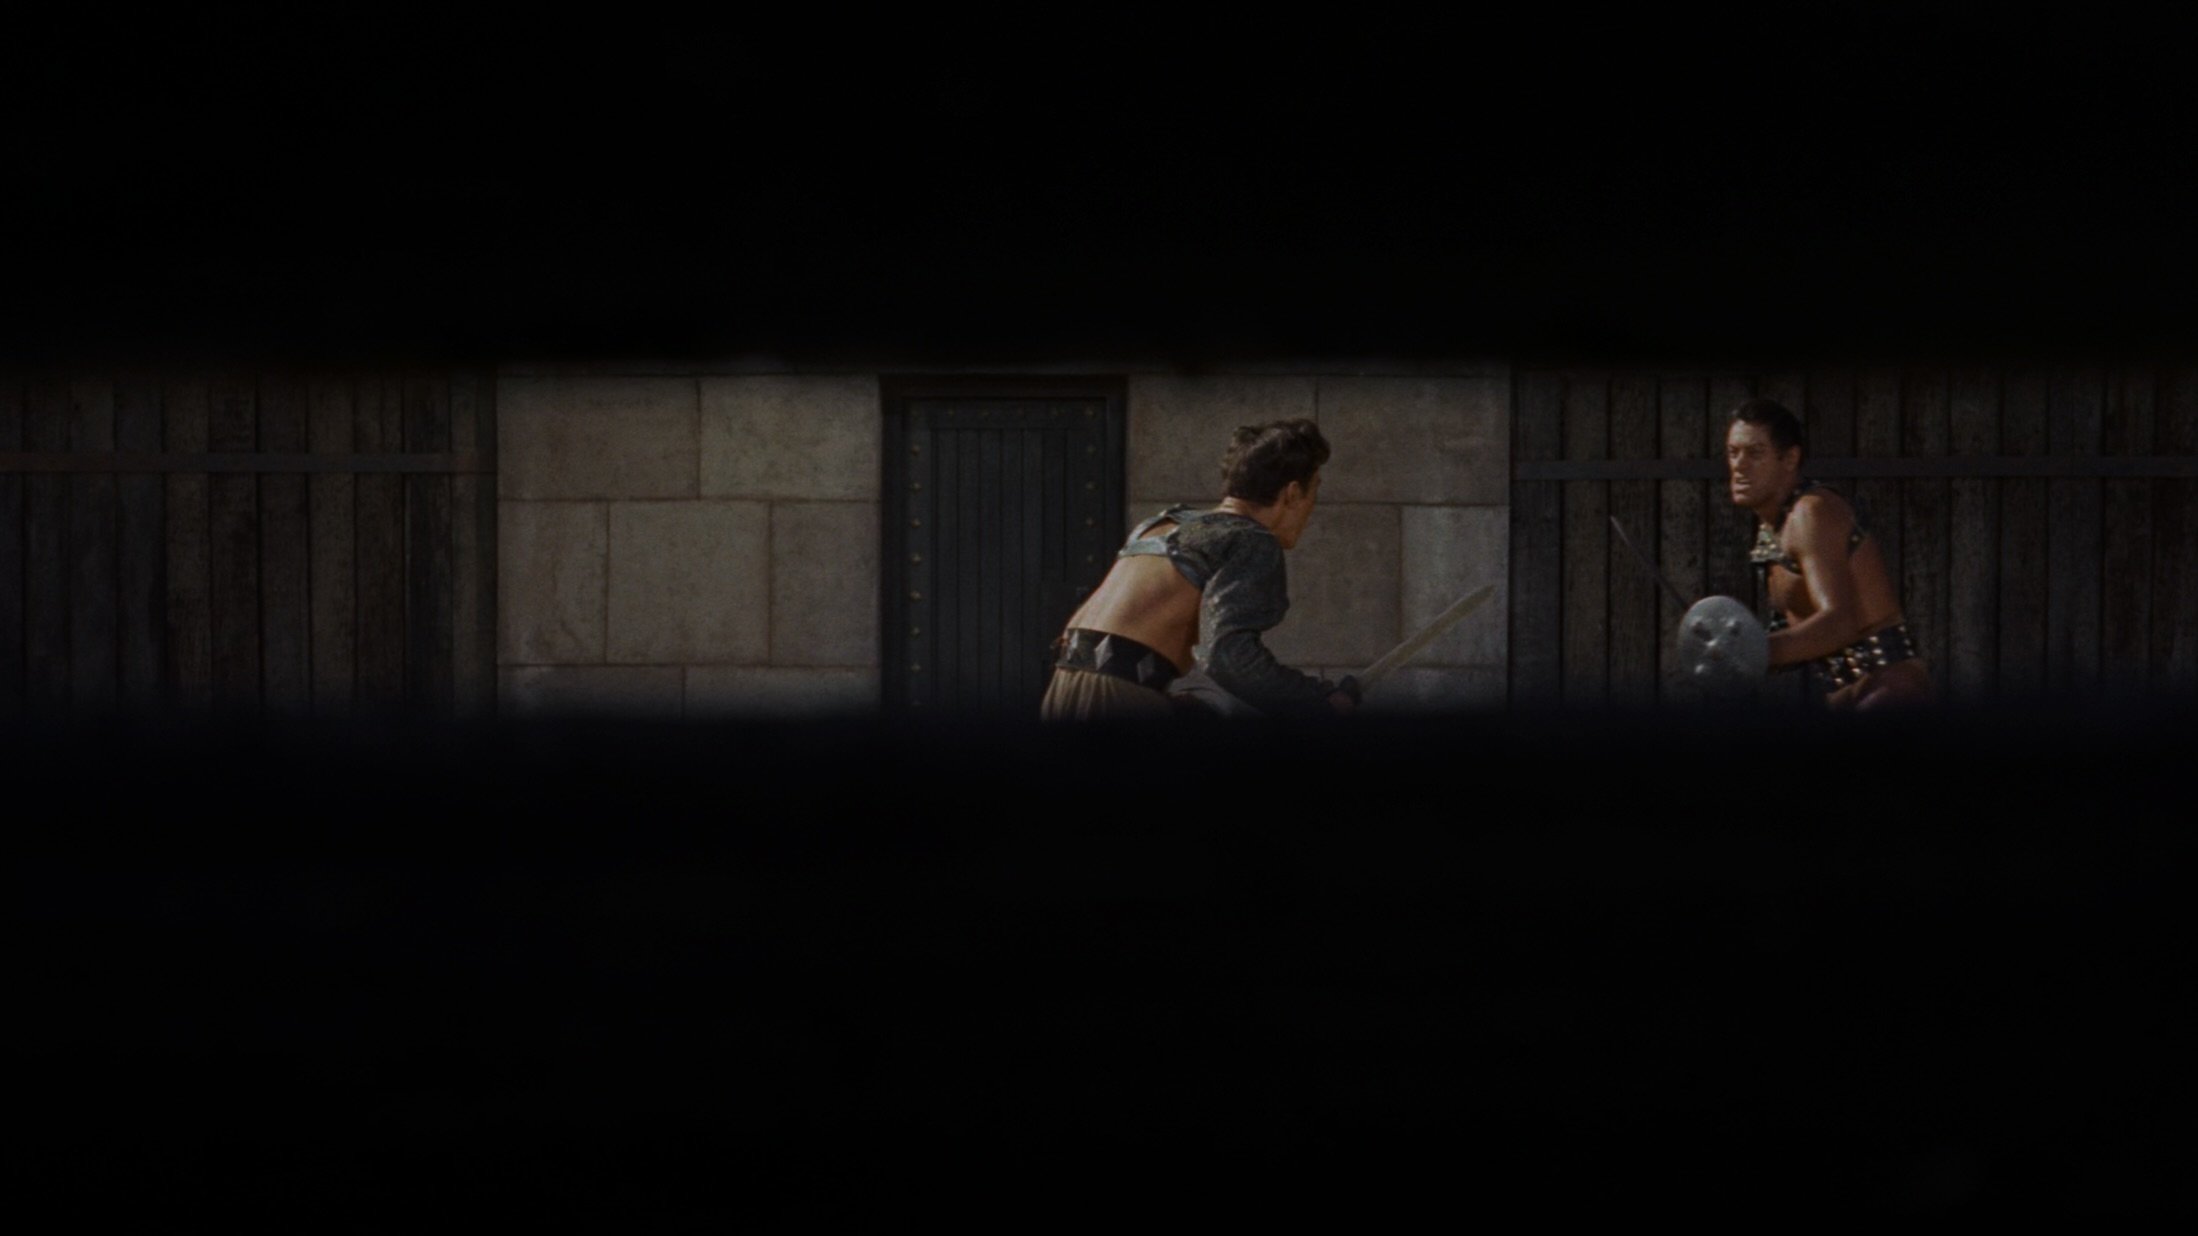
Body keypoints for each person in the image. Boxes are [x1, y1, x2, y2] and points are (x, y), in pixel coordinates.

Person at [1039, 419, 1360, 720]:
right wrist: (1319, 699)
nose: (1312, 507)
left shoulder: (1162, 524)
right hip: (1118, 698)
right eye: (1314, 490)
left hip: (1061, 693)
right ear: (1292, 493)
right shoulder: (1249, 538)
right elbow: (1227, 657)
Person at [1725, 397, 1931, 709]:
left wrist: (1756, 650)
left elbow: (1839, 622)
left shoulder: (1811, 513)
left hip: (1888, 692)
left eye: (1755, 453)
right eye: (1733, 452)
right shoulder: (1774, 526)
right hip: (1854, 695)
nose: (1739, 466)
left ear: (1790, 458)